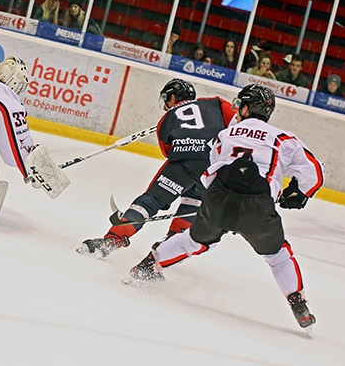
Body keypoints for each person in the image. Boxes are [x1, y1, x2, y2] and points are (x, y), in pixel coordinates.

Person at [129, 84, 325, 331]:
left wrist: (216, 201)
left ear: (246, 108)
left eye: (239, 104)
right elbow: (314, 172)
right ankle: (298, 302)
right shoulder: (282, 138)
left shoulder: (226, 134)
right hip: (258, 206)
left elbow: (210, 174)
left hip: (218, 199)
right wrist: (298, 193)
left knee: (193, 241)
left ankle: (147, 266)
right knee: (278, 255)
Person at [77, 78, 238, 258]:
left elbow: (168, 152)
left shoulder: (166, 120)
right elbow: (238, 122)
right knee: (193, 203)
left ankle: (113, 239)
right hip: (216, 164)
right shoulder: (213, 103)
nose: (165, 105)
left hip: (185, 164)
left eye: (167, 99)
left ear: (173, 97)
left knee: (151, 200)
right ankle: (164, 253)